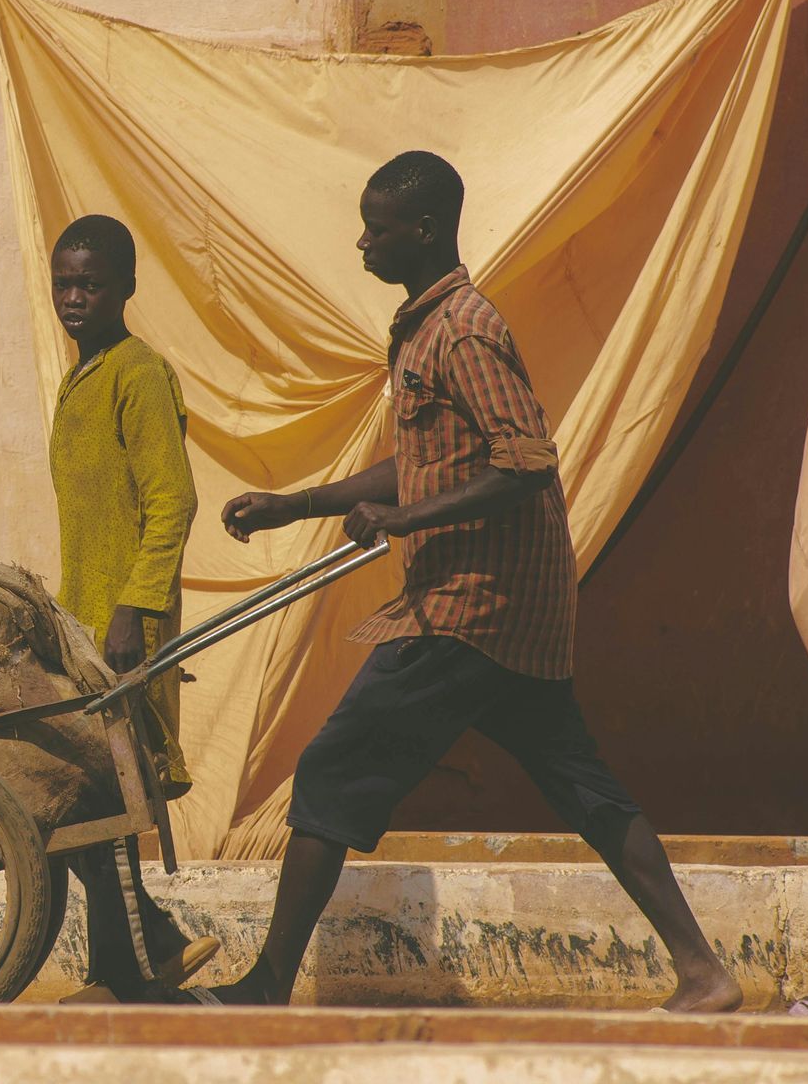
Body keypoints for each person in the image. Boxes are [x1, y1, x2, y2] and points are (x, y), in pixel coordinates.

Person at [203, 151, 740, 1012]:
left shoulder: (464, 328)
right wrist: (295, 503)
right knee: (583, 786)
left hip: (470, 606)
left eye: (376, 228)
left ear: (420, 230)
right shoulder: (423, 328)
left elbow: (526, 463)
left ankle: (267, 984)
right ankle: (705, 974)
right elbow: (417, 462)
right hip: (505, 613)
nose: (362, 243)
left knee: (330, 770)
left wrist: (406, 523)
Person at [47, 213, 219, 1002]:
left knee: (98, 799)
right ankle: (134, 959)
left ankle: (136, 958)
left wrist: (134, 608)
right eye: (64, 282)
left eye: (91, 283)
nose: (74, 297)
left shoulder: (137, 373)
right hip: (80, 624)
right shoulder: (80, 376)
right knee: (88, 802)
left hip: (122, 629)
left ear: (126, 288)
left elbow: (172, 502)